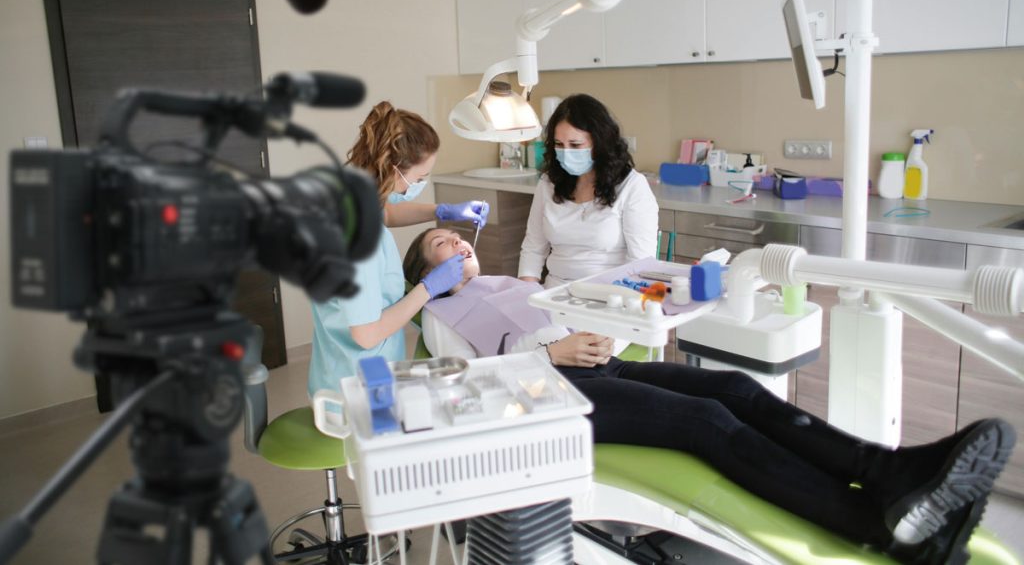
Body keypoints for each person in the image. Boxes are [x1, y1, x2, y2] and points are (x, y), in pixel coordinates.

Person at [404, 227, 1016, 565]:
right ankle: (878, 530)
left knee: (733, 388)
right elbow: (469, 386)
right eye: (441, 245)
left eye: (459, 237)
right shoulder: (439, 314)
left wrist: (593, 330)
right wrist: (550, 356)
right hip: (547, 397)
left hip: (600, 368)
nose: (457, 243)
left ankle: (891, 472)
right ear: (426, 272)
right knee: (703, 421)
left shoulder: (510, 281)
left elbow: (561, 316)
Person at [307, 101, 490, 397]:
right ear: (393, 170)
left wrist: (443, 210)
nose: (418, 185)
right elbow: (366, 335)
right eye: (418, 179)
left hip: (341, 369)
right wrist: (429, 289)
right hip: (357, 389)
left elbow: (387, 212)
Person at [518, 94, 659, 289]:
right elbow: (533, 247)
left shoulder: (632, 186)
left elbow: (640, 265)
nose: (566, 152)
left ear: (600, 143)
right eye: (559, 144)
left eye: (575, 145)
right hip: (554, 292)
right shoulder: (548, 183)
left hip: (611, 294)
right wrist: (525, 294)